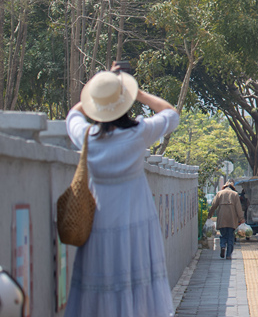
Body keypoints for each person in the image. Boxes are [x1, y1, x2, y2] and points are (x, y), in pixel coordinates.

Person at [64, 65, 179, 317]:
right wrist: (133, 90)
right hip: (137, 222)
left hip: (98, 225)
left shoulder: (87, 137)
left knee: (101, 284)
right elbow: (171, 113)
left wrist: (100, 85)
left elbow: (73, 114)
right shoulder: (139, 133)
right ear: (124, 102)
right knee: (137, 283)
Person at [208, 181, 244, 259]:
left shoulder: (219, 193)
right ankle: (228, 255)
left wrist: (209, 215)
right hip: (232, 220)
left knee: (223, 235)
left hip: (222, 219)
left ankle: (223, 246)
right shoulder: (235, 194)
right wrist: (241, 218)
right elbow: (238, 208)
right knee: (230, 237)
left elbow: (213, 206)